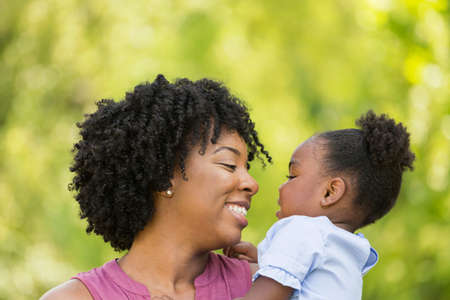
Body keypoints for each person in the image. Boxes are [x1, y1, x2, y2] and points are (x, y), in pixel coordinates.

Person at [40, 74, 271, 300]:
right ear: (163, 177)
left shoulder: (265, 287)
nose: (252, 184)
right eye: (229, 165)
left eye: (246, 168)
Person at [225, 111, 415, 300]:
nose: (282, 187)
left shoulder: (302, 229)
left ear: (330, 192)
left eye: (292, 176)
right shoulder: (347, 254)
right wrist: (263, 258)